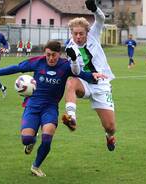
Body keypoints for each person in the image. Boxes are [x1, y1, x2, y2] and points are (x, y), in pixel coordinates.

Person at [0, 40, 104, 177]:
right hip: (32, 105)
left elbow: (82, 74)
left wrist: (94, 76)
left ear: (59, 54)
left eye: (54, 55)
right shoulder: (38, 62)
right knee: (26, 139)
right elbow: (16, 67)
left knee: (47, 137)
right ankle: (31, 141)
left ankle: (36, 166)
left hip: (50, 108)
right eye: (48, 55)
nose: (51, 58)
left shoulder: (66, 66)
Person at [62, 0, 117, 151]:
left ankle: (109, 136)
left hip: (102, 85)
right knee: (71, 82)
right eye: (75, 34)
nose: (78, 37)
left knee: (110, 127)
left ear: (87, 32)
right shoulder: (70, 47)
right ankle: (71, 117)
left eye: (81, 33)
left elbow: (100, 19)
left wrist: (94, 8)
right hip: (84, 83)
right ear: (71, 33)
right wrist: (73, 59)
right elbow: (75, 72)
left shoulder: (94, 35)